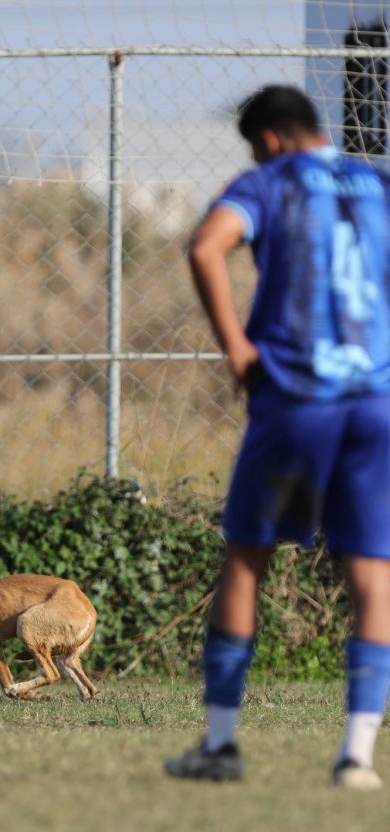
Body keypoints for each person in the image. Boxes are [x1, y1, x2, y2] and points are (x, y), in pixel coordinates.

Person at [164, 84, 390, 790]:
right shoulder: (376, 182)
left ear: (266, 139)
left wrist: (237, 350)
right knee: (371, 574)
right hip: (377, 398)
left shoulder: (266, 180)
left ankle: (221, 746)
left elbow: (206, 247)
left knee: (246, 558)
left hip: (296, 396)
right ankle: (356, 756)